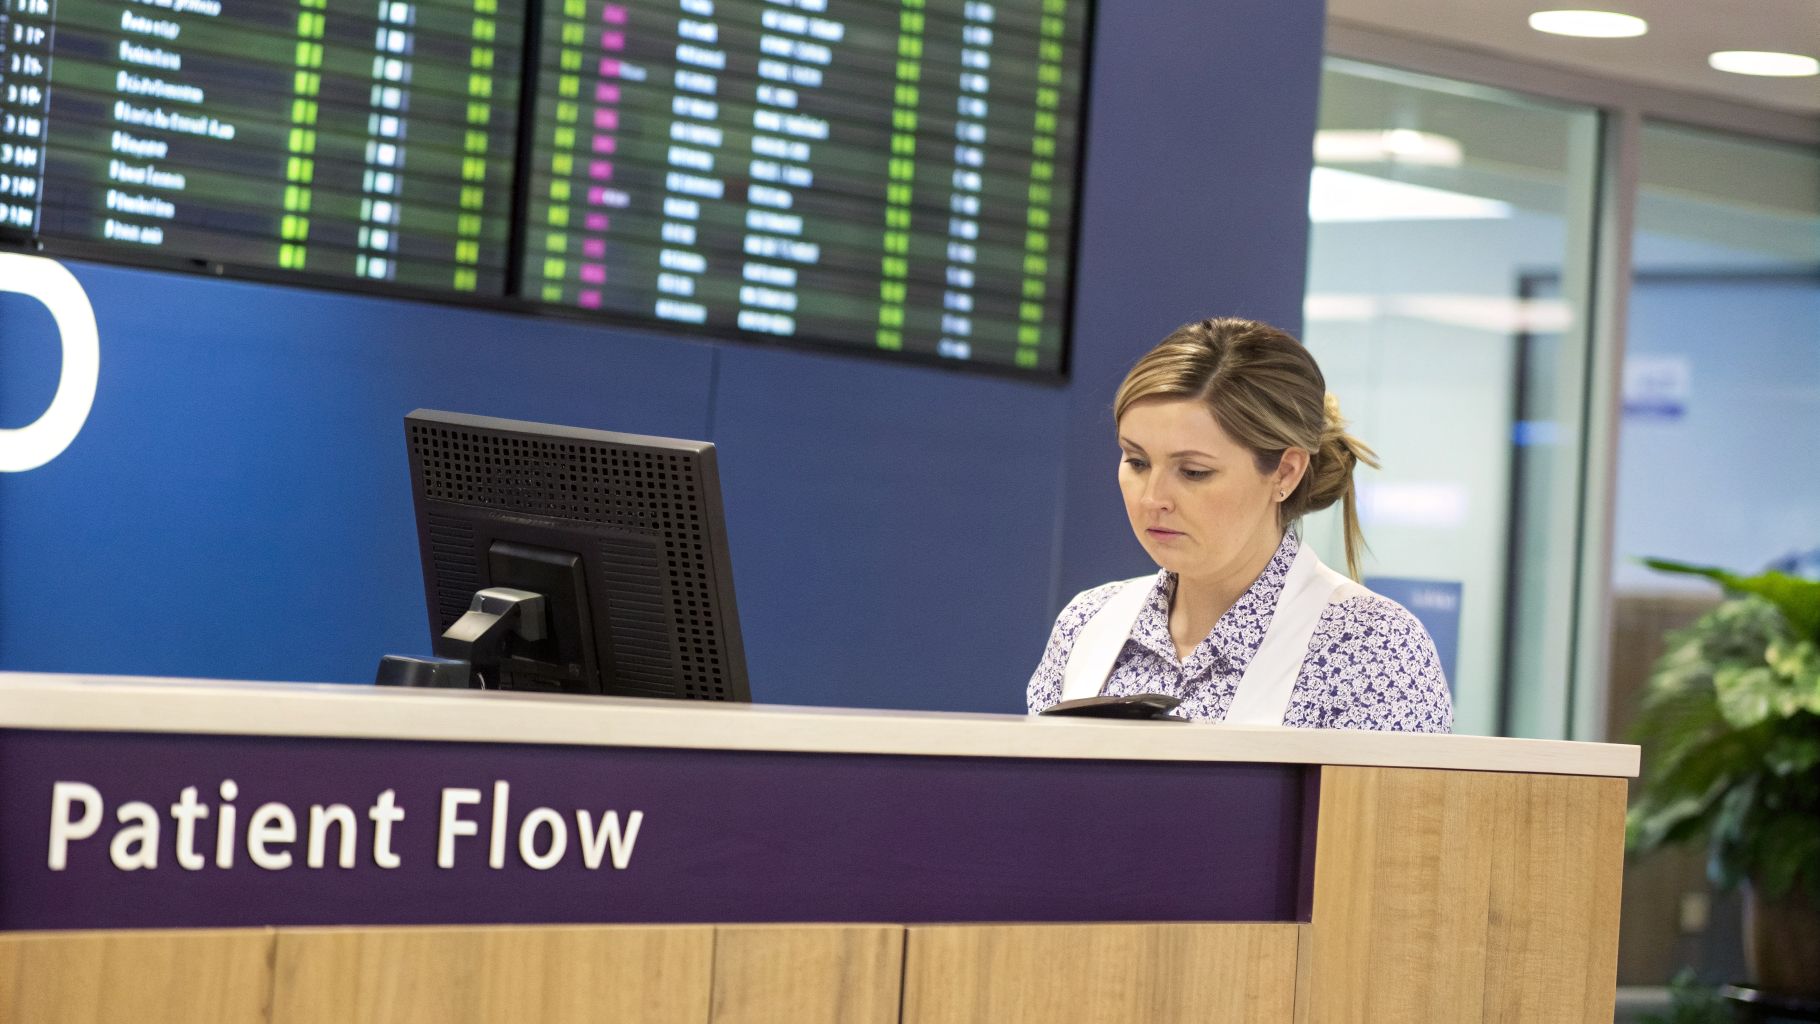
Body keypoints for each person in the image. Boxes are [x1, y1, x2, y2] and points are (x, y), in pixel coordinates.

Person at [1027, 317, 1452, 731]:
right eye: (1136, 461)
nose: (1153, 498)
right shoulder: (1087, 623)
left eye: (1193, 472)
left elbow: (1397, 805)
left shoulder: (1372, 649)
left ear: (1285, 472)